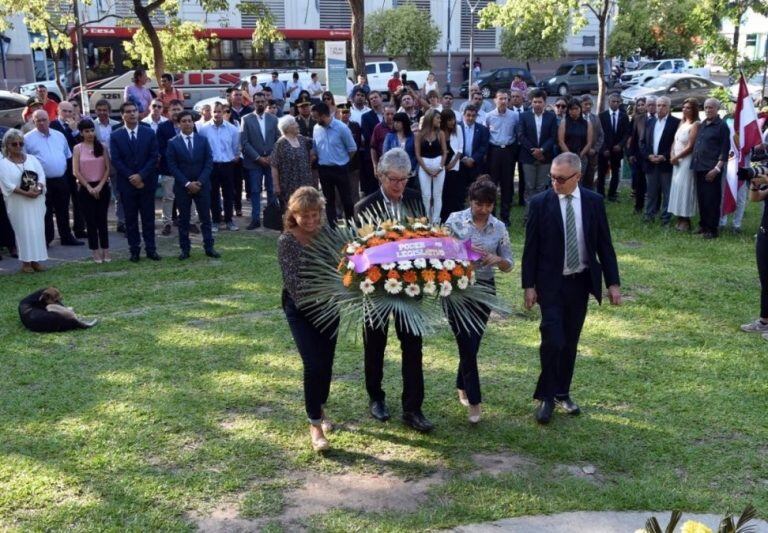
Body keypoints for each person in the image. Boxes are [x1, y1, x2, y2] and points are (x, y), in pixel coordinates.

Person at [522, 152, 621, 424]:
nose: (555, 183)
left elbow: (605, 245)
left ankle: (561, 392)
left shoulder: (593, 202)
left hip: (580, 282)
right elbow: (530, 249)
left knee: (570, 342)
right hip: (550, 283)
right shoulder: (541, 203)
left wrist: (613, 283)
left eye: (561, 179)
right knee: (553, 339)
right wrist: (528, 285)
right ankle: (546, 397)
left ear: (577, 176)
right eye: (552, 177)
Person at [353, 148, 433, 432]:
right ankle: (376, 398)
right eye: (394, 180)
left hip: (410, 286)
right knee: (375, 343)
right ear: (380, 176)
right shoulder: (364, 206)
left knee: (413, 346)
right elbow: (359, 252)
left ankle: (413, 407)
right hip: (376, 289)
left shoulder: (414, 199)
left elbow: (425, 238)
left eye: (404, 179)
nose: (400, 186)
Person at [445, 177, 513, 423]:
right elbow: (441, 252)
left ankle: (460, 383)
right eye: (478, 204)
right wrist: (461, 254)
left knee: (471, 342)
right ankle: (474, 401)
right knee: (466, 341)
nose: (483, 209)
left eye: (488, 205)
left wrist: (498, 260)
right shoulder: (454, 220)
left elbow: (509, 264)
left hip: (485, 289)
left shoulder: (499, 227)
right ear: (470, 201)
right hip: (456, 289)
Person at [278, 186, 338, 451]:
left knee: (325, 365)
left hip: (330, 308)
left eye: (315, 214)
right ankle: (315, 425)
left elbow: (341, 267)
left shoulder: (327, 234)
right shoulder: (287, 241)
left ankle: (321, 407)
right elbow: (294, 284)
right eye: (305, 215)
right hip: (301, 310)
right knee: (312, 365)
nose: (311, 220)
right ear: (294, 214)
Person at [110, 101, 160, 262]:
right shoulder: (116, 135)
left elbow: (154, 157)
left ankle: (151, 249)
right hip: (127, 184)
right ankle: (134, 251)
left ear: (138, 113)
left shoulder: (149, 133)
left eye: (134, 111)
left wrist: (141, 176)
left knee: (148, 219)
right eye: (128, 111)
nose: (132, 114)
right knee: (130, 220)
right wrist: (132, 176)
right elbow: (116, 160)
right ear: (122, 115)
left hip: (146, 183)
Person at [24, 110, 83, 247]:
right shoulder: (27, 139)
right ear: (34, 122)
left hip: (61, 179)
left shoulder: (59, 136)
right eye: (38, 120)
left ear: (49, 120)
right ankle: (46, 239)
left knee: (63, 209)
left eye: (44, 119)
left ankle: (66, 236)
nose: (42, 123)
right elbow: (25, 163)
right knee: (45, 211)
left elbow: (68, 157)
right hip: (41, 181)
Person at [167, 111, 220, 260]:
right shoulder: (172, 142)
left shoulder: (203, 140)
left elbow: (209, 162)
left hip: (202, 185)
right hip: (183, 187)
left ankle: (209, 247)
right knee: (183, 220)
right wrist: (187, 183)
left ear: (193, 123)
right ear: (179, 124)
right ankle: (185, 249)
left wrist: (200, 182)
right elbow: (172, 166)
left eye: (189, 121)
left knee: (205, 219)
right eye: (183, 121)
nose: (187, 123)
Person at [0, 129, 47, 273]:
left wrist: (38, 188)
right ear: (7, 145)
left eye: (21, 143)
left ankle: (36, 260)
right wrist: (25, 193)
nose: (18, 146)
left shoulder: (32, 159)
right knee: (23, 231)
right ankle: (26, 262)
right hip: (18, 202)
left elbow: (41, 176)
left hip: (36, 201)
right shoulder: (3, 164)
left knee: (37, 230)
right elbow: (7, 184)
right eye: (14, 144)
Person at [690, 98, 731, 239]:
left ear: (717, 109)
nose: (708, 110)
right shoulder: (702, 124)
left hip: (712, 169)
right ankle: (703, 226)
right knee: (702, 199)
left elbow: (725, 151)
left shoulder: (722, 126)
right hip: (699, 167)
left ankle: (712, 230)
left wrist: (717, 169)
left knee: (711, 200)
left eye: (711, 108)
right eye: (706, 107)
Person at [311, 102, 357, 225]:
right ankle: (332, 227)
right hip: (324, 169)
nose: (314, 119)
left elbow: (352, 148)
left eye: (316, 117)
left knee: (346, 199)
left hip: (340, 168)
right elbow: (315, 148)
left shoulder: (341, 128)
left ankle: (351, 225)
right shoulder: (316, 128)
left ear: (324, 115)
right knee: (328, 200)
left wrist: (343, 161)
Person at [72, 119, 111, 263]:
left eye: (92, 130)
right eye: (86, 131)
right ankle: (95, 251)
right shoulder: (78, 148)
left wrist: (100, 186)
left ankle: (106, 250)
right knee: (91, 222)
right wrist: (88, 187)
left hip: (102, 187)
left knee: (102, 220)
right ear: (81, 133)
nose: (90, 134)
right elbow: (75, 171)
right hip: (85, 188)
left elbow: (108, 168)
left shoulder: (102, 146)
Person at [199, 101, 241, 232]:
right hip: (212, 166)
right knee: (213, 194)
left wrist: (233, 157)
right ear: (210, 112)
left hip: (228, 165)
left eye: (219, 111)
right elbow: (202, 149)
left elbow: (235, 148)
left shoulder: (232, 129)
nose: (217, 114)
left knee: (228, 194)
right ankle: (216, 221)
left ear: (223, 112)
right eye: (214, 111)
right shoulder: (204, 129)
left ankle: (229, 220)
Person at [241, 92, 279, 230]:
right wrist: (258, 158)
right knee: (255, 191)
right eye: (257, 102)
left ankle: (272, 218)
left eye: (263, 101)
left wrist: (271, 157)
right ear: (253, 102)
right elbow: (244, 143)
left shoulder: (273, 119)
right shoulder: (246, 119)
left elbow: (278, 140)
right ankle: (255, 219)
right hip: (254, 162)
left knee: (271, 190)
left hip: (270, 161)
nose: (260, 104)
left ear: (266, 102)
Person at [518, 89, 558, 218]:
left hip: (545, 157)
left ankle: (539, 216)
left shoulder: (551, 117)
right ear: (531, 102)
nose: (537, 104)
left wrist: (542, 150)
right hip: (528, 157)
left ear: (544, 103)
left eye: (540, 102)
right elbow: (521, 135)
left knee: (541, 187)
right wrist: (534, 151)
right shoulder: (524, 116)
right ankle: (528, 216)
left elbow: (553, 137)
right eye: (535, 102)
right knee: (530, 187)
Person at [50, 100, 86, 239]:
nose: (67, 114)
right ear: (58, 111)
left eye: (70, 111)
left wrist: (75, 130)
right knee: (63, 203)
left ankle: (79, 229)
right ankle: (65, 233)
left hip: (76, 167)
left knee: (78, 200)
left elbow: (83, 145)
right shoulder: (53, 125)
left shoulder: (77, 125)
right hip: (61, 170)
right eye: (64, 111)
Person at [641, 96, 680, 226]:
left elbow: (676, 143)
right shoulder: (649, 122)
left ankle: (665, 219)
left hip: (666, 163)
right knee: (651, 192)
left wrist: (665, 156)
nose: (660, 108)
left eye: (664, 105)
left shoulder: (675, 122)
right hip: (651, 163)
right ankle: (649, 216)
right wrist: (649, 156)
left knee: (667, 193)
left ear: (669, 107)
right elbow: (642, 142)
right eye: (658, 105)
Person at [740, 163, 768, 337]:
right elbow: (755, 198)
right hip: (765, 233)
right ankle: (764, 321)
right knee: (765, 280)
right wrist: (755, 184)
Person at [485, 90, 519, 225]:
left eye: (505, 99)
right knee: (492, 184)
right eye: (500, 98)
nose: (503, 101)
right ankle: (491, 215)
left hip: (508, 151)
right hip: (494, 151)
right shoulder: (488, 116)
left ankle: (505, 217)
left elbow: (517, 133)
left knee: (507, 184)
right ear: (495, 100)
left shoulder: (515, 116)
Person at [157, 100, 189, 236]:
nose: (176, 112)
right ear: (168, 112)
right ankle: (167, 224)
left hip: (186, 169)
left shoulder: (189, 125)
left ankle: (188, 221)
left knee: (186, 197)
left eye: (178, 109)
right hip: (168, 169)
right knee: (168, 197)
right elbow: (160, 148)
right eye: (173, 109)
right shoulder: (163, 128)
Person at [667, 98, 700, 232]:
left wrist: (677, 157)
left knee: (685, 189)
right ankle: (679, 218)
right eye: (684, 107)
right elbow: (675, 141)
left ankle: (686, 220)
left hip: (686, 161)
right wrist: (671, 156)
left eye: (688, 108)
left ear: (694, 110)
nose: (685, 109)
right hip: (676, 161)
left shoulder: (696, 124)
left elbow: (691, 146)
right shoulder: (682, 122)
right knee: (677, 188)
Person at [271, 115, 315, 207]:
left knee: (306, 207)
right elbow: (274, 165)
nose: (297, 125)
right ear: (287, 128)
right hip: (288, 185)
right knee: (292, 210)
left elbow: (312, 152)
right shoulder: (280, 143)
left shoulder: (302, 139)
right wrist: (276, 186)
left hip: (305, 182)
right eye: (294, 123)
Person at [415, 108, 448, 223]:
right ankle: (427, 220)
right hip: (425, 167)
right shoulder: (419, 134)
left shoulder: (441, 133)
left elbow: (445, 152)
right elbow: (418, 155)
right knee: (426, 195)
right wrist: (426, 170)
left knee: (437, 195)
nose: (440, 120)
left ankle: (436, 221)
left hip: (439, 166)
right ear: (431, 118)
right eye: (437, 118)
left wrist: (440, 168)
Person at [598, 93, 631, 201]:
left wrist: (620, 145)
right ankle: (600, 194)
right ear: (609, 102)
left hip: (617, 150)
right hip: (604, 149)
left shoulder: (624, 116)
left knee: (615, 172)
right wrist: (604, 148)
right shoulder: (602, 116)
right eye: (613, 101)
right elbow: (599, 133)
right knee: (602, 172)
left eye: (618, 102)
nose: (616, 104)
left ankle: (612, 194)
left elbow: (627, 133)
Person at [439, 109, 464, 221]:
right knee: (443, 193)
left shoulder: (458, 129)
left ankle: (454, 218)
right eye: (449, 120)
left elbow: (460, 149)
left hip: (454, 165)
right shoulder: (439, 131)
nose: (452, 122)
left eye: (453, 119)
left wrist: (452, 164)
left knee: (454, 193)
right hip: (441, 165)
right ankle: (443, 217)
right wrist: (443, 165)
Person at [459, 105, 490, 190]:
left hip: (476, 164)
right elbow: (454, 145)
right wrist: (464, 159)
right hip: (460, 163)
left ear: (476, 116)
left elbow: (484, 146)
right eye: (468, 115)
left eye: (473, 116)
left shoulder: (482, 129)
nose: (470, 118)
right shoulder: (457, 127)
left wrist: (473, 159)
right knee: (460, 189)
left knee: (475, 189)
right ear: (463, 115)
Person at [626, 96, 648, 214]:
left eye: (642, 104)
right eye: (638, 105)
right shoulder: (635, 119)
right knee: (639, 181)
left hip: (649, 155)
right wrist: (631, 153)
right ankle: (638, 207)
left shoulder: (650, 118)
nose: (640, 107)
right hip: (638, 155)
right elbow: (632, 137)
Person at [558, 101, 592, 176]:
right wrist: (570, 155)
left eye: (576, 108)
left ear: (580, 109)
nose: (574, 111)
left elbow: (589, 142)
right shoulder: (564, 123)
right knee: (566, 180)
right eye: (571, 109)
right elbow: (561, 141)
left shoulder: (587, 124)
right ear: (568, 110)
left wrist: (580, 155)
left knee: (578, 180)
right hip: (566, 157)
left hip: (581, 156)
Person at [383, 112, 417, 181]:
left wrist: (412, 168)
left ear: (404, 123)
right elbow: (385, 154)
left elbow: (415, 155)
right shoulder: (389, 136)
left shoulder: (412, 137)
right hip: (394, 171)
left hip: (410, 172)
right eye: (394, 121)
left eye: (398, 122)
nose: (395, 124)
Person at [580, 96, 603, 190]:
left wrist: (595, 149)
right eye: (586, 104)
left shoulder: (595, 118)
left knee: (590, 178)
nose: (588, 106)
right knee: (579, 177)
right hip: (580, 154)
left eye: (590, 104)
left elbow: (601, 135)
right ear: (581, 105)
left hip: (593, 154)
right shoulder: (577, 118)